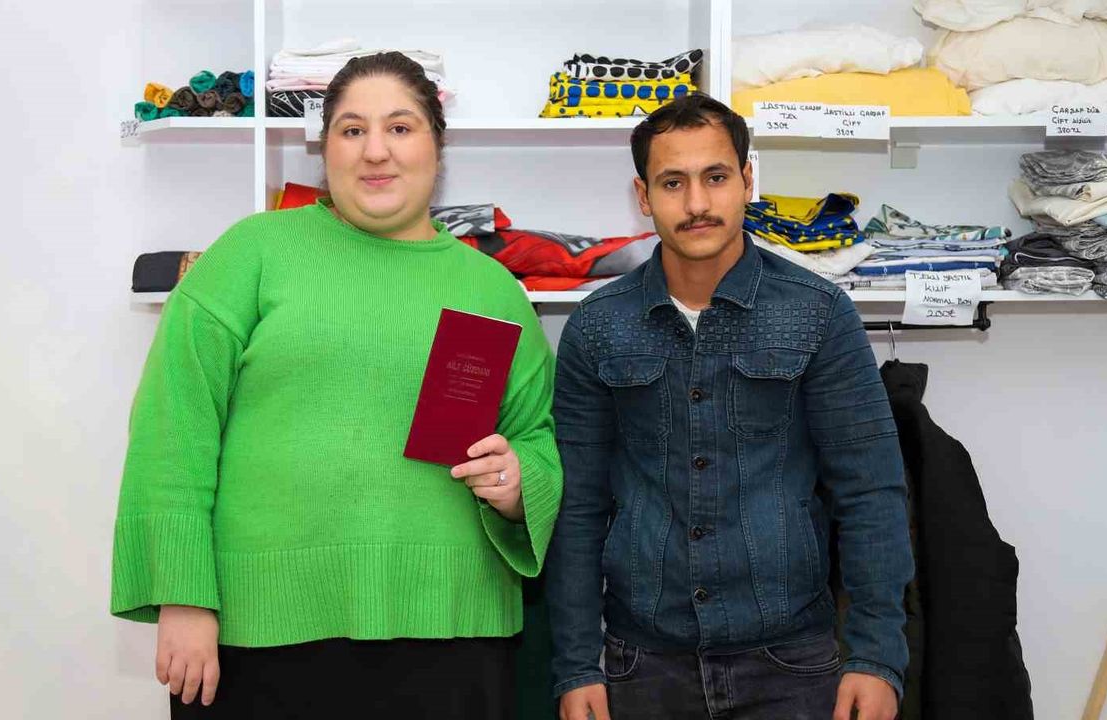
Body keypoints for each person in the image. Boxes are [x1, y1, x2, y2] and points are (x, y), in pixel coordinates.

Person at [110, 51, 562, 720]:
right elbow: (173, 428)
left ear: (437, 146)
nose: (376, 151)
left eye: (400, 127)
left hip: (451, 636)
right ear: (324, 148)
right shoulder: (251, 254)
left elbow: (536, 438)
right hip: (255, 633)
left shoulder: (493, 291)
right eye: (352, 130)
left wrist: (520, 484)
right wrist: (182, 597)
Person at [546, 94, 914, 720]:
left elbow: (871, 491)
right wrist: (577, 665)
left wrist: (876, 656)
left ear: (747, 180)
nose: (696, 203)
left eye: (715, 177)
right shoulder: (597, 325)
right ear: (643, 196)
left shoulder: (818, 314)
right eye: (672, 182)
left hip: (793, 663)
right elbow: (576, 506)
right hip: (641, 663)